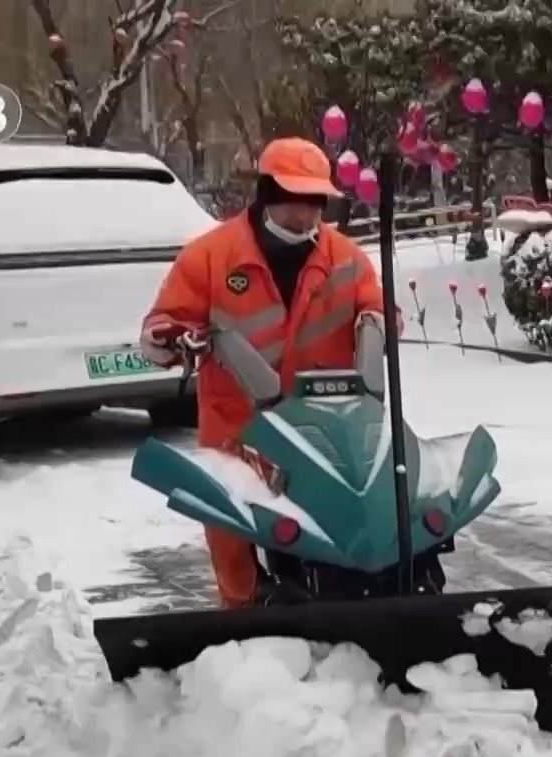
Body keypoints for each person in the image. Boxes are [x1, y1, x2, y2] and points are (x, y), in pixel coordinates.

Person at [139, 137, 384, 609]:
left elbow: (375, 309)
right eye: (296, 200)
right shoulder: (210, 257)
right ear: (267, 193)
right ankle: (246, 610)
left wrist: (377, 322)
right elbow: (163, 325)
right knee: (227, 512)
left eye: (316, 202)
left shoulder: (346, 259)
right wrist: (171, 338)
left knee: (354, 512)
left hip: (325, 423)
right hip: (240, 423)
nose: (307, 214)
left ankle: (362, 587)